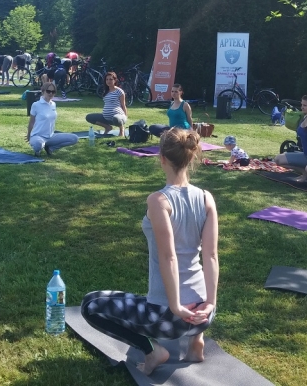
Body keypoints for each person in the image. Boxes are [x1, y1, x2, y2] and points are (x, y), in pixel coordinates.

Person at [81, 128, 218, 376]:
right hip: (204, 313)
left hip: (169, 317)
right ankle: (196, 342)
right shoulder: (207, 198)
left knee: (90, 305)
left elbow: (169, 257)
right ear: (192, 156)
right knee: (192, 271)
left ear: (161, 158)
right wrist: (210, 303)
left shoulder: (159, 201)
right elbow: (210, 256)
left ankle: (152, 351)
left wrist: (176, 306)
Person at [26, 83, 80, 156]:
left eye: (53, 92)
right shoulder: (36, 105)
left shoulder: (53, 104)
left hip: (51, 136)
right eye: (48, 91)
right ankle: (38, 150)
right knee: (38, 145)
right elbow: (31, 122)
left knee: (74, 138)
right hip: (38, 136)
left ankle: (50, 148)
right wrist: (29, 135)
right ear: (43, 91)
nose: (51, 93)